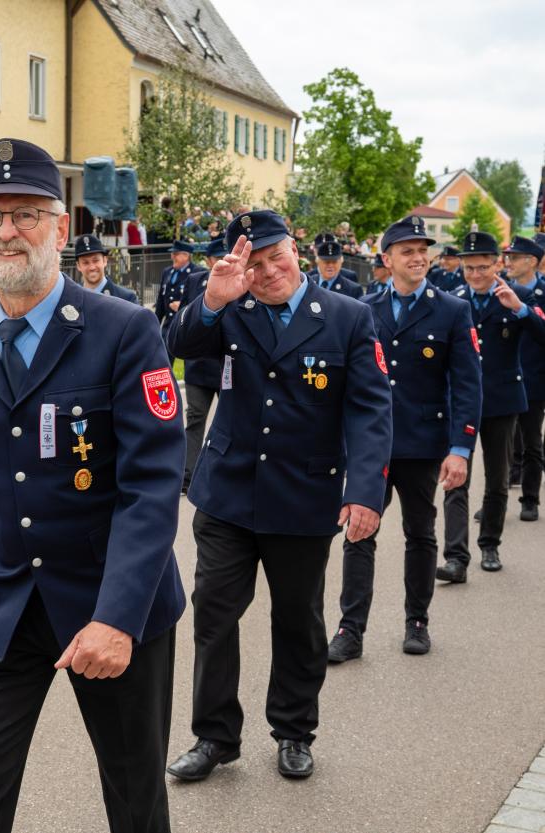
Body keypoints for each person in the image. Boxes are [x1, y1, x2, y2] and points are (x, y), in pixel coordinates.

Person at [0, 138, 186, 833]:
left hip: (112, 604)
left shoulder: (124, 331)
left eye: (26, 214)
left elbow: (153, 486)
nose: (6, 231)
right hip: (5, 604)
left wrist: (118, 617)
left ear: (61, 229)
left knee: (135, 798)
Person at [166, 209, 392, 782]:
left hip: (303, 495)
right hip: (227, 494)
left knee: (297, 620)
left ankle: (294, 730)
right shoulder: (231, 306)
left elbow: (369, 412)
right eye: (255, 263)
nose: (267, 273)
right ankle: (214, 736)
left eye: (276, 257)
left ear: (296, 250)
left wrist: (365, 491)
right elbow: (176, 344)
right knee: (214, 615)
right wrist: (213, 299)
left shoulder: (348, 318)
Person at [327, 216, 481, 663]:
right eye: (407, 251)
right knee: (358, 532)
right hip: (370, 446)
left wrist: (460, 449)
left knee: (420, 533)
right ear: (386, 259)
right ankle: (350, 629)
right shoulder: (364, 309)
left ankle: (417, 621)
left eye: (423, 250)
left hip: (421, 442)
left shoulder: (452, 310)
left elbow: (467, 384)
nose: (418, 258)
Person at [438, 231, 545, 579]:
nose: (475, 275)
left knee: (498, 479)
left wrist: (521, 310)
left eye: (482, 267)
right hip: (460, 401)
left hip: (501, 400)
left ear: (497, 264)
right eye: (469, 269)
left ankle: (490, 545)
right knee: (456, 477)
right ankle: (456, 557)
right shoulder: (452, 300)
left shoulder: (518, 297)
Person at [176, 237, 224, 493]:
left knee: (229, 421)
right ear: (208, 261)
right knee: (195, 418)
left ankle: (222, 472)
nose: (221, 263)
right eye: (217, 259)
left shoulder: (239, 281)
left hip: (225, 366)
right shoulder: (195, 281)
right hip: (197, 365)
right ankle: (188, 474)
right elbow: (185, 318)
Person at [504, 236, 545, 521]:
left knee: (532, 443)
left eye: (515, 257)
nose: (509, 262)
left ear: (531, 261)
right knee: (502, 445)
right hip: (507, 379)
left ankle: (530, 499)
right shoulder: (501, 291)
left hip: (534, 379)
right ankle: (495, 500)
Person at [72, 234, 139, 302]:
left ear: (105, 261)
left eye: (95, 261)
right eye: (86, 262)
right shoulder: (71, 296)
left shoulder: (127, 298)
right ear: (78, 266)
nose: (92, 267)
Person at [154, 240, 204, 327]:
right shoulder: (167, 271)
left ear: (186, 255)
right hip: (168, 325)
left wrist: (183, 307)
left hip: (185, 325)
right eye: (172, 254)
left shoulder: (197, 273)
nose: (172, 257)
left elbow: (200, 300)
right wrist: (155, 324)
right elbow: (160, 302)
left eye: (176, 254)